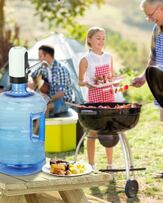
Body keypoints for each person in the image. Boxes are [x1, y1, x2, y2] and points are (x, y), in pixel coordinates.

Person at [131, 0, 163, 179]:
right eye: (147, 16)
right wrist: (144, 77)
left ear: (161, 8)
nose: (149, 19)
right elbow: (153, 57)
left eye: (151, 15)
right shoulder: (157, 29)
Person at [78, 26, 118, 169]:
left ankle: (110, 164)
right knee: (93, 132)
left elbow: (111, 76)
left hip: (108, 96)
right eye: (98, 38)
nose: (101, 41)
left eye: (103, 38)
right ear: (89, 40)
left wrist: (116, 79)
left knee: (109, 130)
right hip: (94, 97)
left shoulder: (109, 57)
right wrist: (88, 83)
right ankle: (91, 164)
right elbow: (80, 81)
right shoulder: (85, 59)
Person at [31, 45, 73, 117]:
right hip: (51, 99)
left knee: (45, 107)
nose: (39, 59)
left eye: (40, 56)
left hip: (63, 101)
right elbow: (33, 75)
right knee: (33, 106)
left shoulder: (60, 69)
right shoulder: (43, 66)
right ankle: (38, 127)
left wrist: (47, 100)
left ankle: (41, 128)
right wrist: (37, 85)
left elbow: (61, 94)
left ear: (47, 56)